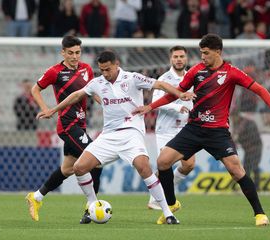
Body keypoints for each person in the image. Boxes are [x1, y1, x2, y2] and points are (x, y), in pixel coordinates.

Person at [132, 33, 270, 226]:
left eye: (206, 53)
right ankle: (171, 204)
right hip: (194, 129)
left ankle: (259, 214)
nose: (202, 57)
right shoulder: (196, 71)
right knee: (163, 162)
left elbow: (259, 89)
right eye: (201, 53)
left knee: (237, 171)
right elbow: (176, 94)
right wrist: (150, 107)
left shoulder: (231, 72)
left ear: (218, 52)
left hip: (217, 132)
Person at [37, 50, 196, 224]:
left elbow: (160, 85)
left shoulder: (132, 78)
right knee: (79, 167)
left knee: (144, 167)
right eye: (102, 70)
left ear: (116, 64)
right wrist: (53, 109)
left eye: (108, 70)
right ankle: (92, 205)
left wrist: (180, 94)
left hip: (131, 133)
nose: (105, 74)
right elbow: (76, 95)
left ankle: (168, 213)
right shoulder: (97, 82)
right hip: (109, 135)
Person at [25, 36, 102, 223]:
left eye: (77, 52)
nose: (74, 56)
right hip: (67, 126)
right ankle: (91, 207)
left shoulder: (87, 69)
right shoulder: (55, 72)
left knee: (67, 169)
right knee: (96, 161)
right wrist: (45, 109)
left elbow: (93, 92)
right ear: (63, 53)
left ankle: (36, 197)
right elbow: (35, 89)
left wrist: (108, 105)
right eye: (70, 53)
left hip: (81, 124)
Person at [147, 46, 196, 210]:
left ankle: (165, 189)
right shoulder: (164, 78)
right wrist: (177, 108)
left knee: (189, 165)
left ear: (186, 58)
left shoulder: (191, 77)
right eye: (175, 56)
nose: (179, 59)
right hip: (165, 130)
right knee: (165, 164)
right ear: (171, 59)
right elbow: (156, 103)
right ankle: (156, 198)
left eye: (182, 56)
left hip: (185, 129)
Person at [233, 114, 262, 190]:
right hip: (248, 150)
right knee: (246, 168)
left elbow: (253, 136)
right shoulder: (238, 124)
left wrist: (240, 140)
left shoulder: (248, 123)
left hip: (255, 149)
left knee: (254, 166)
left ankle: (256, 186)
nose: (232, 120)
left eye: (233, 117)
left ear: (237, 116)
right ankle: (248, 187)